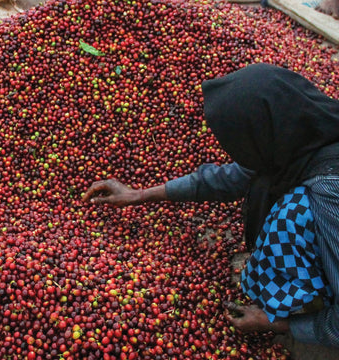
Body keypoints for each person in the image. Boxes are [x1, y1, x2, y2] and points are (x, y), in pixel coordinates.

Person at [83, 63, 339, 347]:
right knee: (270, 185)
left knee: (290, 216)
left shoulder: (330, 192)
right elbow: (232, 177)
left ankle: (309, 300)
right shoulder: (306, 131)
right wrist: (139, 195)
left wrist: (279, 323)